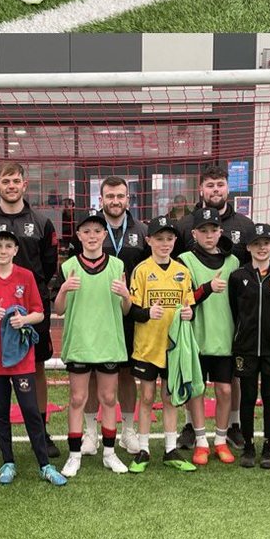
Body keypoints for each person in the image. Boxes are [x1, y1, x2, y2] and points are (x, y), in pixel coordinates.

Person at [0, 161, 60, 459]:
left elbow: (48, 265)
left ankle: (41, 432)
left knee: (38, 367)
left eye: (15, 180)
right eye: (5, 181)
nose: (11, 186)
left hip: (30, 308)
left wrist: (30, 294)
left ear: (24, 184)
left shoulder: (42, 222)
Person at [0, 222, 67, 485]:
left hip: (21, 358)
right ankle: (8, 463)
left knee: (30, 411)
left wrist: (23, 321)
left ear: (15, 250)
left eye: (8, 246)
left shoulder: (25, 276)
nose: (3, 250)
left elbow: (39, 312)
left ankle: (45, 464)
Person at [173, 162, 254, 449]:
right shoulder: (184, 226)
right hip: (196, 324)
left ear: (228, 187)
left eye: (220, 184)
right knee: (194, 383)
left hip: (228, 325)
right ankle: (191, 428)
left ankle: (231, 427)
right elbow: (179, 284)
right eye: (210, 185)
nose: (215, 189)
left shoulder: (244, 226)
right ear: (201, 189)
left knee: (228, 382)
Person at [54, 209, 133, 476]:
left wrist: (125, 295)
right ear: (78, 235)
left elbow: (125, 309)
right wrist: (64, 290)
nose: (92, 236)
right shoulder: (68, 266)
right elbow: (60, 310)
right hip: (79, 342)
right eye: (86, 231)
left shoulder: (117, 266)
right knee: (77, 399)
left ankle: (109, 453)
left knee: (109, 398)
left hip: (108, 341)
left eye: (97, 231)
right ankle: (74, 455)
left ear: (104, 235)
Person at [125, 214, 197, 474]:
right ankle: (143, 449)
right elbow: (131, 309)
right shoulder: (142, 270)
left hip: (173, 347)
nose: (164, 244)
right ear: (149, 240)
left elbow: (189, 306)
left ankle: (169, 450)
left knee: (169, 398)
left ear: (175, 241)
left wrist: (190, 313)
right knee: (146, 397)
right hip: (147, 346)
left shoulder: (182, 271)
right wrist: (147, 313)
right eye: (159, 239)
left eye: (169, 239)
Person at [229, 223, 270, 469]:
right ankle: (248, 447)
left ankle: (268, 447)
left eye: (266, 243)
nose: (261, 248)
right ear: (248, 247)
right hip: (246, 348)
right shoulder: (239, 276)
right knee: (247, 397)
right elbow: (234, 311)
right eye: (256, 244)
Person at [181, 206, 239, 464]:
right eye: (203, 230)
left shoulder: (234, 261)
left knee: (225, 390)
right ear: (194, 233)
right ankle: (201, 440)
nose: (208, 235)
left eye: (213, 230)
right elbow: (184, 301)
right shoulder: (185, 260)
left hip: (224, 338)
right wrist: (206, 288)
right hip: (196, 338)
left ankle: (221, 439)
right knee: (196, 390)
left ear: (220, 231)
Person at [98, 175, 148, 455]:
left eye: (120, 196)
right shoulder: (92, 229)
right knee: (96, 374)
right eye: (110, 196)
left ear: (128, 199)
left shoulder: (142, 231)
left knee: (128, 373)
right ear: (101, 199)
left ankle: (128, 430)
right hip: (98, 313)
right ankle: (91, 432)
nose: (115, 201)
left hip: (131, 314)